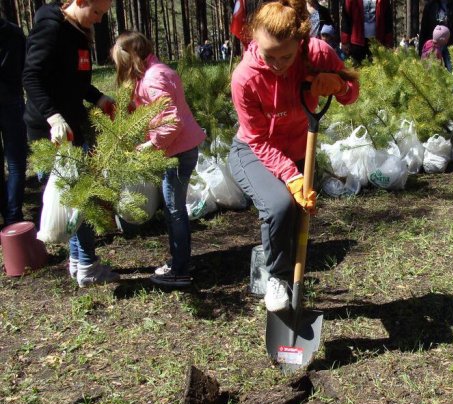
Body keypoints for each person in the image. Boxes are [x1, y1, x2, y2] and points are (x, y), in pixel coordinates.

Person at [229, 0, 359, 312]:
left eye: (285, 56)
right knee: (278, 206)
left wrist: (340, 86)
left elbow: (352, 90)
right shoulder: (244, 78)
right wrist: (292, 176)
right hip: (252, 151)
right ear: (255, 42)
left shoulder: (317, 53)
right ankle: (276, 278)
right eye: (268, 55)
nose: (276, 63)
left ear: (300, 43)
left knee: (298, 221)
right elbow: (258, 139)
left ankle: (290, 285)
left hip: (302, 149)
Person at [23, 0, 119, 287]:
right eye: (97, 12)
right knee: (80, 199)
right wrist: (53, 117)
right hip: (50, 131)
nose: (99, 20)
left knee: (79, 199)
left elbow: (74, 81)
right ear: (80, 1)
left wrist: (98, 97)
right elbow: (31, 76)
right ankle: (87, 265)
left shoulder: (78, 30)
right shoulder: (51, 29)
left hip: (72, 127)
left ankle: (80, 262)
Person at [112, 31, 206, 287]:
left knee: (174, 210)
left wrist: (150, 145)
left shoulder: (154, 77)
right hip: (177, 149)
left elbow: (171, 122)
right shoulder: (154, 72)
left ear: (129, 56)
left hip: (178, 152)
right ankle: (181, 259)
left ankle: (180, 270)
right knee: (173, 208)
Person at [0, 18, 28, 226]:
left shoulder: (16, 33)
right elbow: (24, 67)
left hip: (12, 99)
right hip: (11, 98)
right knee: (17, 163)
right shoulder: (15, 33)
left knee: (15, 163)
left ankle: (8, 213)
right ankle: (13, 215)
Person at [418, 0, 453, 71]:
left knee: (452, 74)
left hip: (452, 47)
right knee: (433, 73)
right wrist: (421, 49)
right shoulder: (430, 6)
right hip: (433, 47)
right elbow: (424, 29)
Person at [341, 0, 393, 65]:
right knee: (356, 70)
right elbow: (346, 20)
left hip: (377, 43)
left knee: (376, 69)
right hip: (356, 44)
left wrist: (388, 43)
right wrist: (345, 41)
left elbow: (388, 21)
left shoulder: (383, 1)